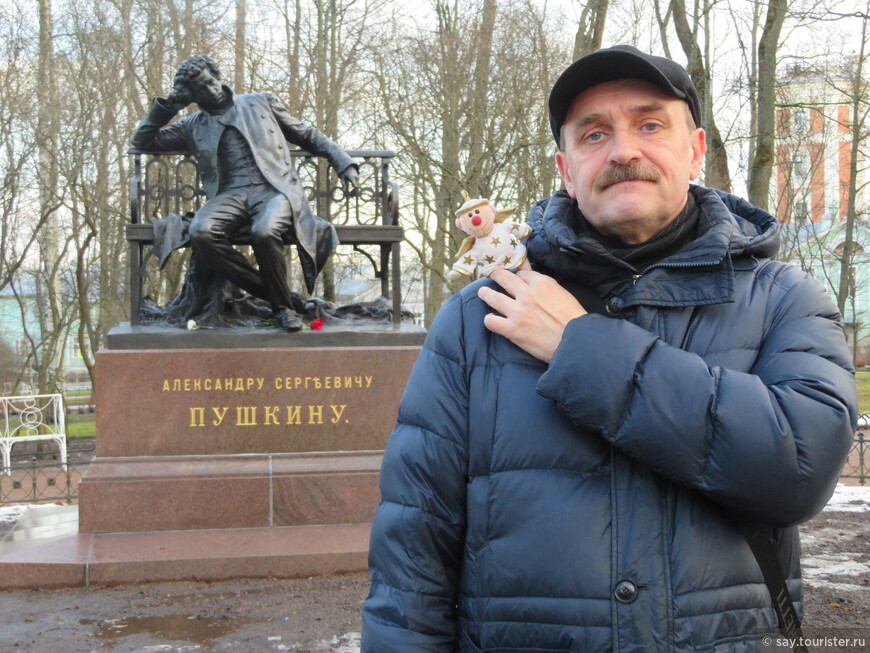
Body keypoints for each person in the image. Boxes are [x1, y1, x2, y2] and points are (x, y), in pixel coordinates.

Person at [361, 45, 858, 652]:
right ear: (566, 169)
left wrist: (581, 348)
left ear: (696, 149)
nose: (623, 150)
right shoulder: (479, 317)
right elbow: (413, 553)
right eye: (594, 134)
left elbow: (799, 472)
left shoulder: (785, 298)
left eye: (650, 125)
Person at [132, 55, 359, 331]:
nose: (212, 89)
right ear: (192, 95)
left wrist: (342, 161)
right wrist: (168, 106)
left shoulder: (260, 101)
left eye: (212, 81)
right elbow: (143, 140)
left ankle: (284, 307)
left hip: (274, 188)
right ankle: (281, 298)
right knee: (201, 231)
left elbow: (305, 133)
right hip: (230, 194)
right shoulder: (193, 125)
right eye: (202, 88)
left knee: (263, 231)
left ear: (218, 76)